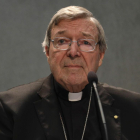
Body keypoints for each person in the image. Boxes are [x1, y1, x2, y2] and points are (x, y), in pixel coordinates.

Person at [0, 6, 140, 140]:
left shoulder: (134, 108)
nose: (73, 52)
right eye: (62, 41)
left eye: (85, 42)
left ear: (101, 56)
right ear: (48, 52)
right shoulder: (11, 108)